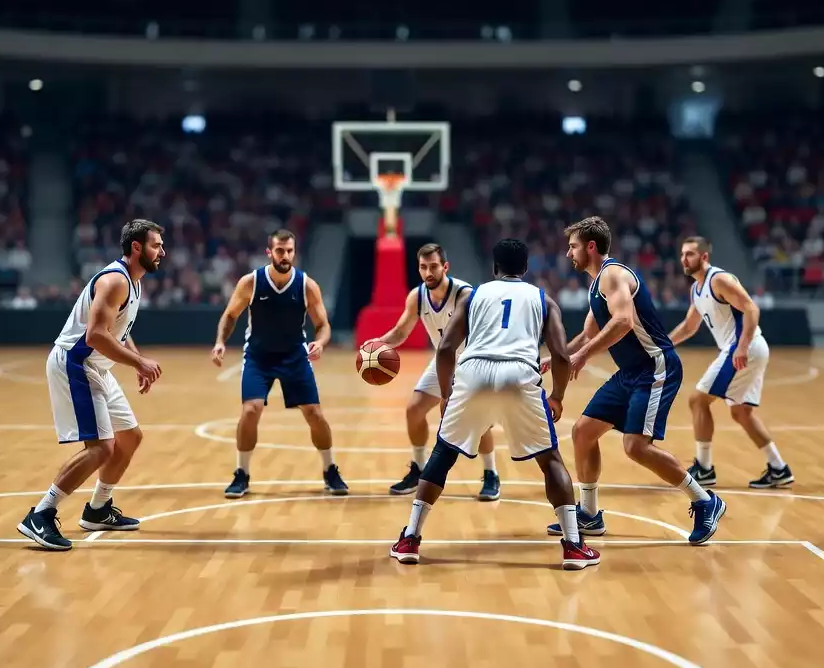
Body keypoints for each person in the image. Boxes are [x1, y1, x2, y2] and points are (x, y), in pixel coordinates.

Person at [389, 238, 600, 570]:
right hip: (520, 375)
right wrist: (557, 396)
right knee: (550, 460)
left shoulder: (473, 296)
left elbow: (446, 349)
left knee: (443, 454)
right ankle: (573, 545)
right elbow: (560, 355)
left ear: (494, 268)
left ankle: (410, 539)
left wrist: (446, 394)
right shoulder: (543, 299)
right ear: (526, 268)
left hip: (474, 373)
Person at [542, 217, 726, 545]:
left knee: (636, 446)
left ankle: (704, 500)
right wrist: (558, 356)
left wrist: (582, 356)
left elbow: (624, 321)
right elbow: (589, 334)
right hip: (629, 372)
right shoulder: (597, 283)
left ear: (591, 246)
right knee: (583, 432)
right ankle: (590, 514)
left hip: (655, 367)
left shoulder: (613, 274)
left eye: (573, 246)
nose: (568, 253)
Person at [17, 219, 165, 551]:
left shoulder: (134, 282)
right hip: (75, 364)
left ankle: (98, 509)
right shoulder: (115, 281)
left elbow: (118, 331)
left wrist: (136, 358)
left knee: (130, 437)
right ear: (137, 247)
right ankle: (40, 514)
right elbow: (95, 335)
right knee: (101, 448)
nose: (162, 252)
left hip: (97, 367)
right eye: (156, 245)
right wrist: (139, 363)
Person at [212, 229, 347, 498]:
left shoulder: (307, 285)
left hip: (294, 356)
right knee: (250, 411)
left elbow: (323, 324)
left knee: (314, 414)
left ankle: (330, 469)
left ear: (294, 252)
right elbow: (230, 315)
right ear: (269, 252)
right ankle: (242, 473)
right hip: (259, 356)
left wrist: (320, 343)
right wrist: (220, 342)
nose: (285, 256)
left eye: (289, 251)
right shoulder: (251, 282)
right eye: (280, 251)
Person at [364, 243, 500, 500]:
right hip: (443, 360)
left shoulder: (464, 295)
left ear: (445, 267)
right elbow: (401, 331)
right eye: (423, 267)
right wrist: (379, 343)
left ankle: (491, 473)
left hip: (472, 361)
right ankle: (418, 468)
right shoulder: (417, 296)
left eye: (434, 266)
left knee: (479, 420)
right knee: (414, 410)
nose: (428, 272)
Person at [668, 237, 794, 488]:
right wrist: (664, 345)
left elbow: (751, 308)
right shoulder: (696, 289)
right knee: (741, 412)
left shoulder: (719, 280)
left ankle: (704, 469)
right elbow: (690, 326)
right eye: (682, 254)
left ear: (704, 257)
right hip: (749, 348)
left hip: (744, 347)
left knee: (698, 400)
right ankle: (779, 468)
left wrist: (742, 346)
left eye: (690, 254)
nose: (684, 259)